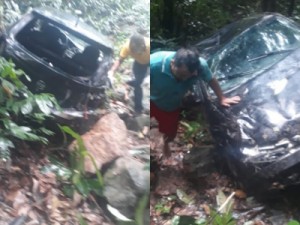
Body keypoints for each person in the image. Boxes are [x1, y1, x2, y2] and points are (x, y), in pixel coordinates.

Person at [150, 48, 241, 157]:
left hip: (171, 104)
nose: (185, 79)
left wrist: (222, 98)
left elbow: (211, 79)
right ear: (173, 63)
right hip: (151, 99)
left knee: (170, 132)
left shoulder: (200, 66)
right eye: (182, 75)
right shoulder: (153, 64)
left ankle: (165, 144)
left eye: (189, 75)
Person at [108, 33, 150, 114]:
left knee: (145, 82)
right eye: (134, 51)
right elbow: (120, 60)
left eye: (138, 51)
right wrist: (111, 72)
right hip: (139, 64)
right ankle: (138, 109)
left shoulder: (149, 45)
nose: (136, 53)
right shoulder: (127, 47)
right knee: (138, 85)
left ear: (142, 45)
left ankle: (131, 82)